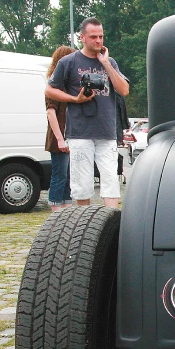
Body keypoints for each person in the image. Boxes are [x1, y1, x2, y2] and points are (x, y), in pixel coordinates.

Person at [45, 17, 129, 208]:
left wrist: (106, 64)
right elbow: (50, 90)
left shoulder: (111, 62)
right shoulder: (68, 62)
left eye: (100, 36)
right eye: (93, 37)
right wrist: (75, 99)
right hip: (80, 131)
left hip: (106, 131)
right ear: (82, 37)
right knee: (82, 185)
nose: (98, 41)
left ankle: (111, 222)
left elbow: (123, 90)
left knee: (110, 182)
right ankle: (85, 226)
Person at [45, 45, 76, 212]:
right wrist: (60, 139)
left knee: (68, 176)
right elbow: (51, 113)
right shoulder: (54, 87)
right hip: (60, 136)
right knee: (59, 175)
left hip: (69, 136)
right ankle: (56, 210)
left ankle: (67, 207)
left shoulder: (66, 85)